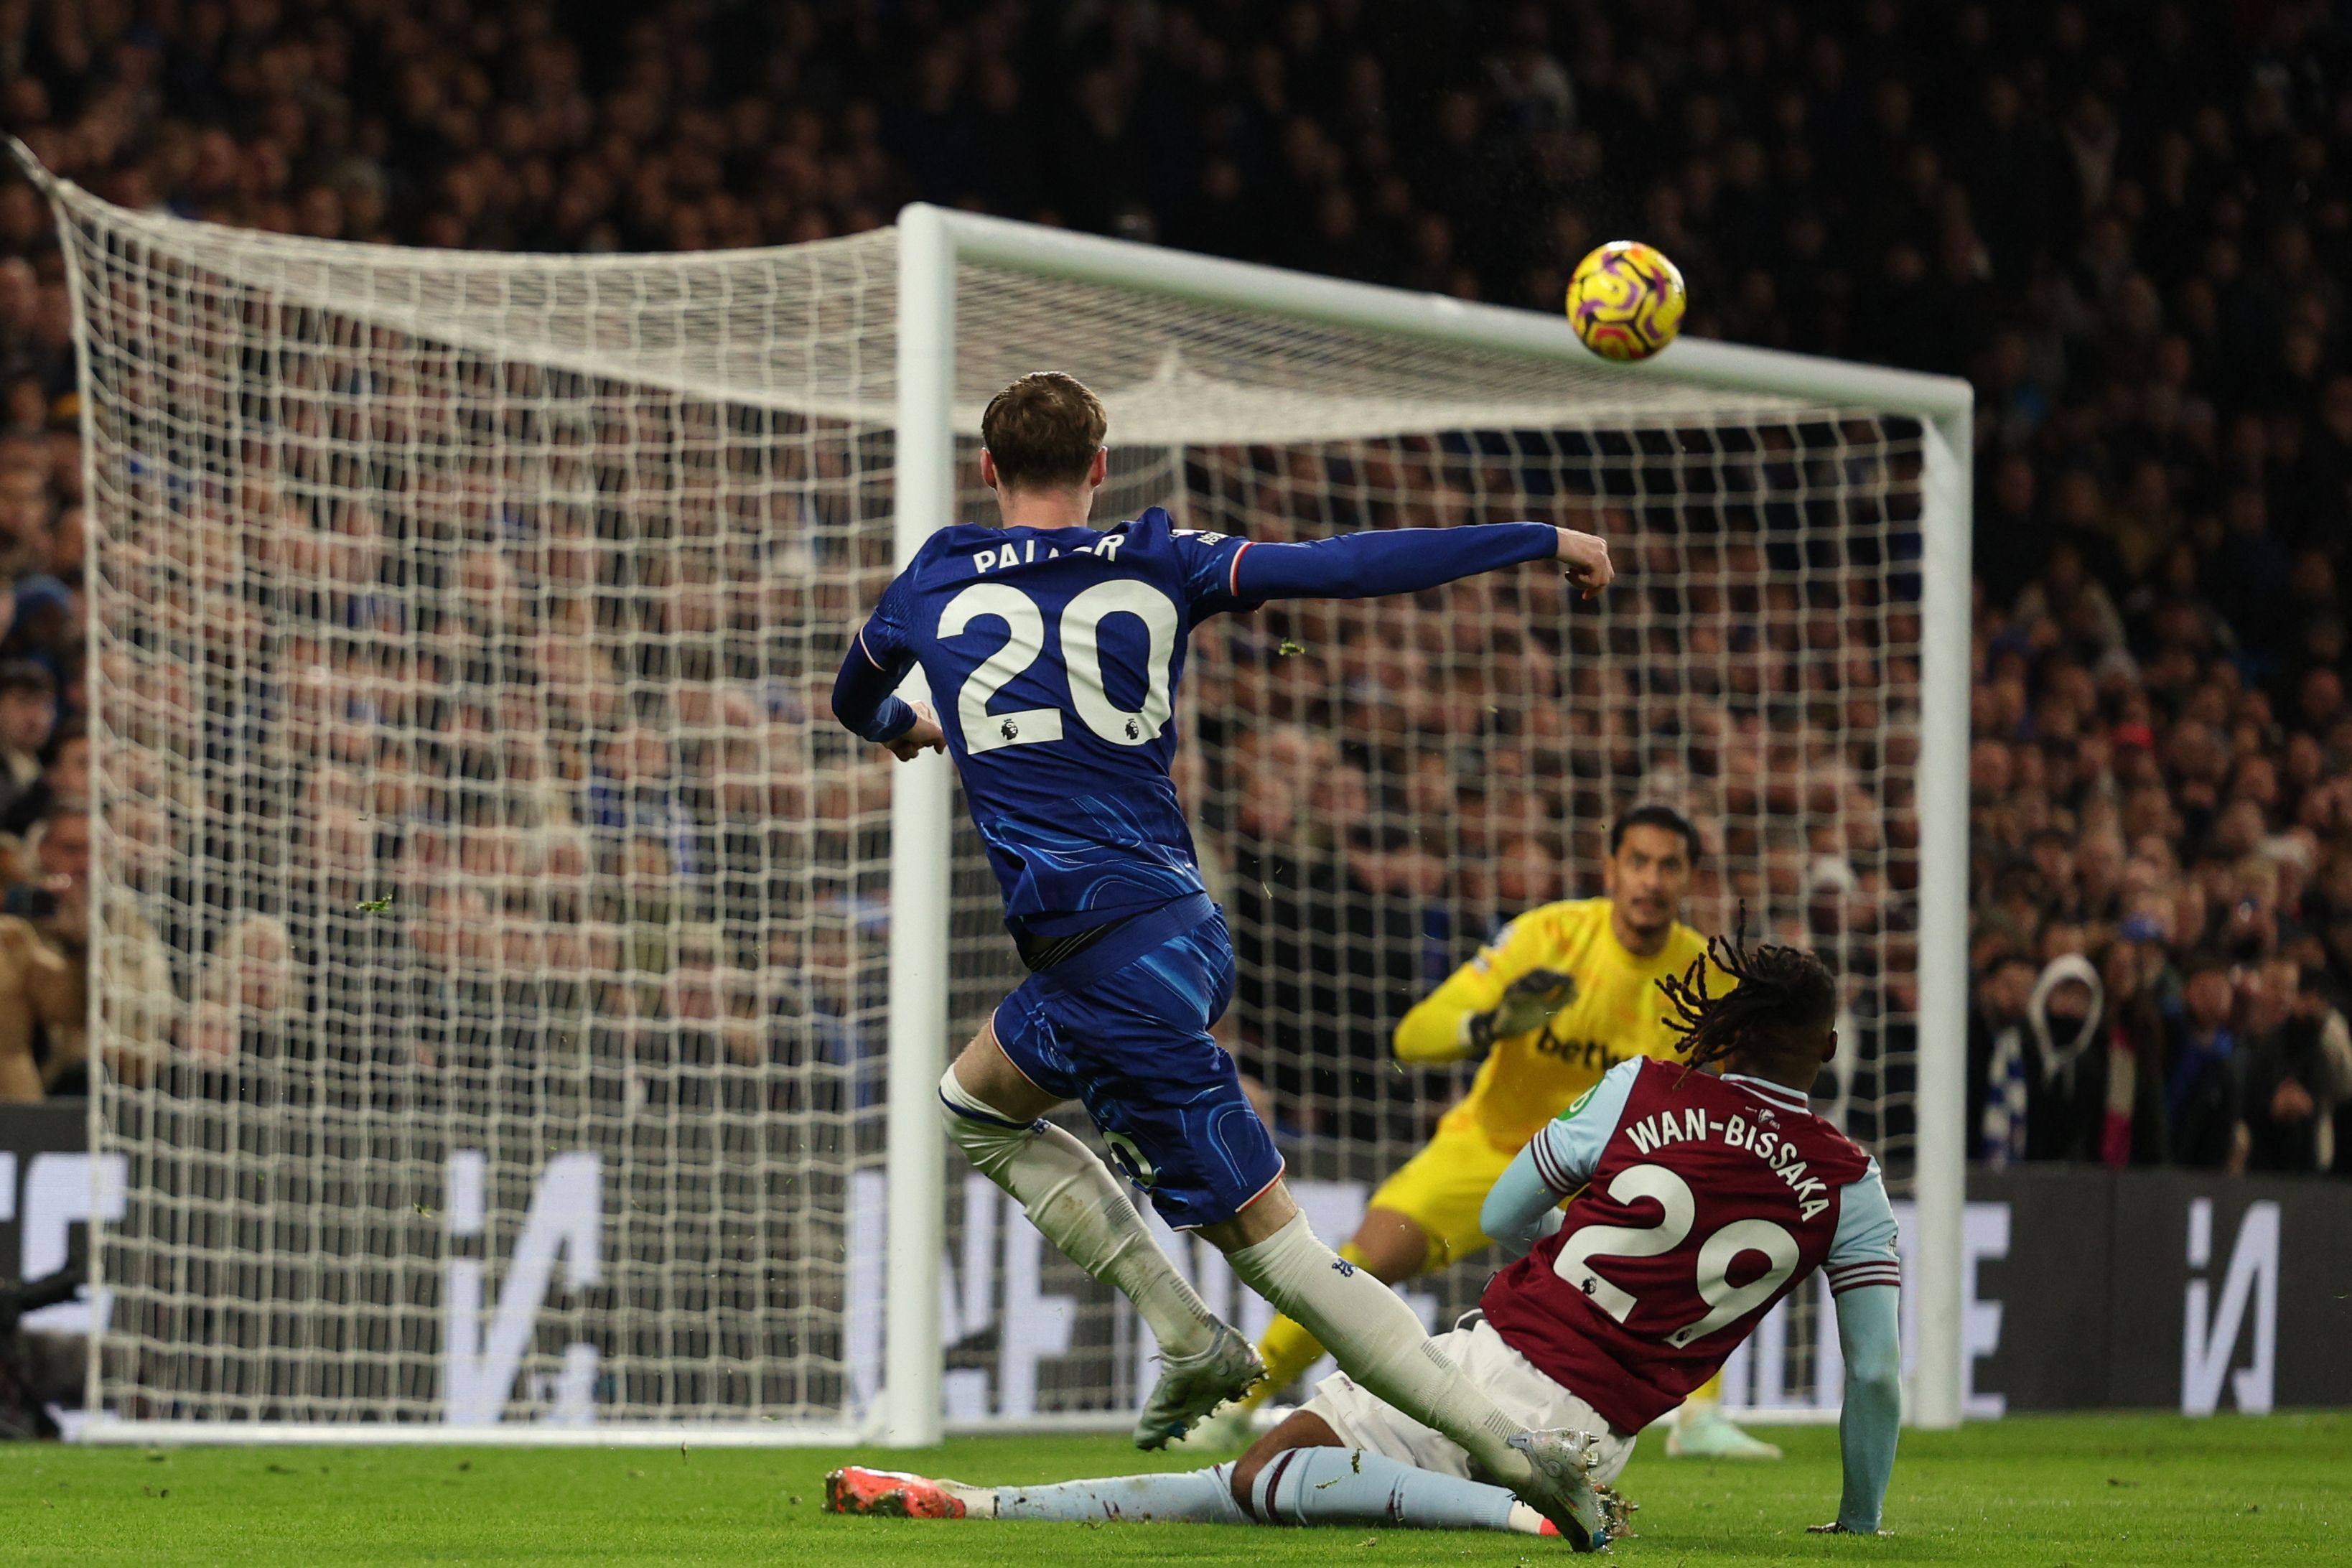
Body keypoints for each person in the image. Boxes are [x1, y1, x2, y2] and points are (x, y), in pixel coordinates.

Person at [829, 370, 1618, 1533]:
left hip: (1107, 959)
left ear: (988, 470)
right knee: (973, 1102)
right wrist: (1541, 533)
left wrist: (912, 727)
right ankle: (1189, 1335)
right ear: (1102, 466)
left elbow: (854, 697)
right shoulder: (1159, 556)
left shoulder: (933, 576)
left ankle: (1515, 1449)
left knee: (1279, 1249)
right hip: (1167, 932)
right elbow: (1348, 562)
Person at [824, 928, 1902, 1548]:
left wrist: (1572, 1222)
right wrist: (1857, 1523)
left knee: (1262, 1480)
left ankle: (1514, 1509)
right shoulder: (1851, 1184)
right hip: (1601, 1420)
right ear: (1830, 1047)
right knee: (1244, 1487)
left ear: (1731, 1028)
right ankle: (978, 1507)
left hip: (1500, 1369)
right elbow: (1878, 1378)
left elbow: (1499, 1216)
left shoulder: (1640, 1089)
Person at [1215, 803, 1783, 1461]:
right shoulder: (1545, 938)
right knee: (1369, 1255)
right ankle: (1245, 1400)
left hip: (1610, 1179)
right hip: (1491, 1147)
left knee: (1696, 1225)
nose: (1651, 881)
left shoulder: (1704, 977)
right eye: (1638, 862)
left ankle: (1699, 1422)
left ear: (1689, 881)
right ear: (1611, 869)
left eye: (1668, 867)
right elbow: (1413, 1036)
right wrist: (1490, 1027)